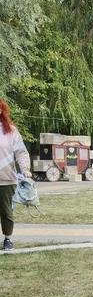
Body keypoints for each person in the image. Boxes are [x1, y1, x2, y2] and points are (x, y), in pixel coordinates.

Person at [0, 99, 32, 251]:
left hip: (6, 179)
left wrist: (25, 169)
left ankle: (7, 238)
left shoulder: (11, 131)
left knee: (6, 211)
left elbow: (21, 152)